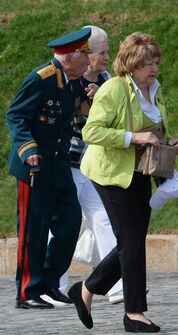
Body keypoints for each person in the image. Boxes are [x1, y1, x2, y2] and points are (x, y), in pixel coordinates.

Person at [67, 32, 178, 332]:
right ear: (131, 64)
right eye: (147, 63)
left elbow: (153, 128)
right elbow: (91, 131)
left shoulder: (153, 89)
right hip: (110, 173)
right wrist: (134, 137)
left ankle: (87, 289)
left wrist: (167, 141)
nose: (153, 68)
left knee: (131, 239)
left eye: (156, 62)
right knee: (131, 238)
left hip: (140, 171)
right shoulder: (114, 89)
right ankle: (134, 312)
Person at [6, 28, 92, 309]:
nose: (89, 63)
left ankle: (49, 282)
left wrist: (90, 98)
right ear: (69, 58)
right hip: (34, 166)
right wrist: (27, 148)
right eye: (85, 57)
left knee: (69, 223)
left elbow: (73, 112)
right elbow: (16, 115)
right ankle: (27, 291)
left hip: (58, 165)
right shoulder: (40, 79)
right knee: (34, 230)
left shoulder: (72, 80)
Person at [58, 25, 124, 304]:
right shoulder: (69, 80)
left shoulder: (107, 80)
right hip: (69, 163)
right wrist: (88, 102)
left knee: (104, 219)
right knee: (63, 224)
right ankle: (54, 285)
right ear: (86, 54)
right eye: (102, 52)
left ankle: (116, 285)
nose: (107, 57)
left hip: (94, 165)